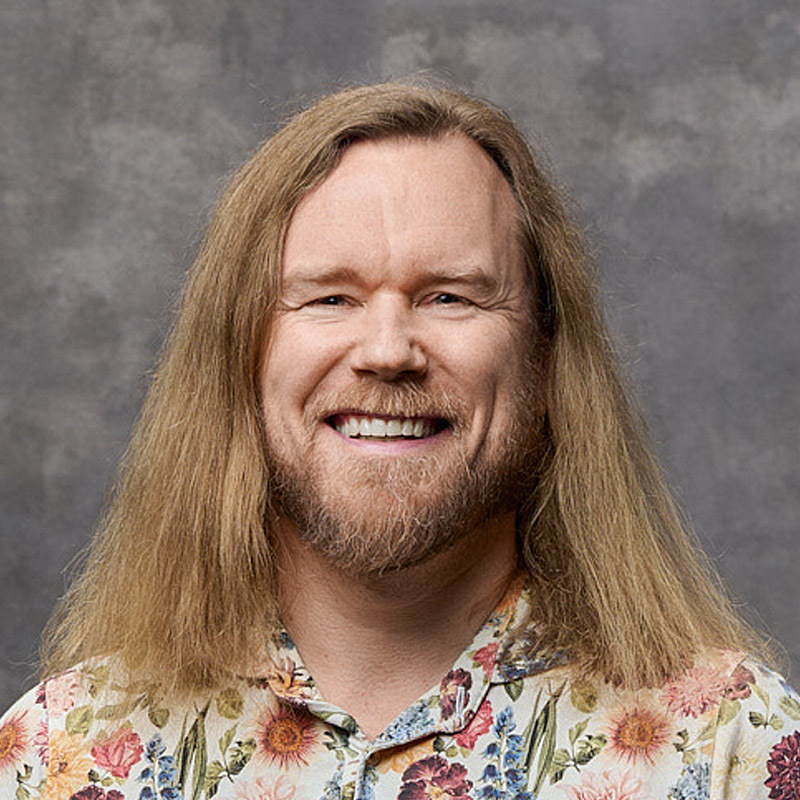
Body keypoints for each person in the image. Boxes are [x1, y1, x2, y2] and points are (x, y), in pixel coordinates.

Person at [1, 82, 798, 800]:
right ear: (238, 353)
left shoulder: (733, 751)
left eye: (449, 296)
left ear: (544, 354)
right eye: (329, 298)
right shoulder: (57, 758)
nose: (387, 351)